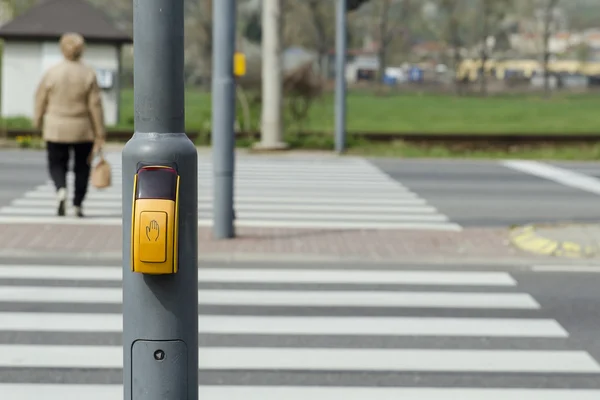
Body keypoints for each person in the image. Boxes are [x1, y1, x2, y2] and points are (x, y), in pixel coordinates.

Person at [33, 32, 105, 218]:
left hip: (56, 127)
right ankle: (78, 203)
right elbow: (95, 105)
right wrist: (100, 132)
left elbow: (40, 99)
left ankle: (60, 189)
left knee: (56, 163)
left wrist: (38, 121)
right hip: (82, 128)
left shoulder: (52, 72)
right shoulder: (88, 73)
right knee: (82, 166)